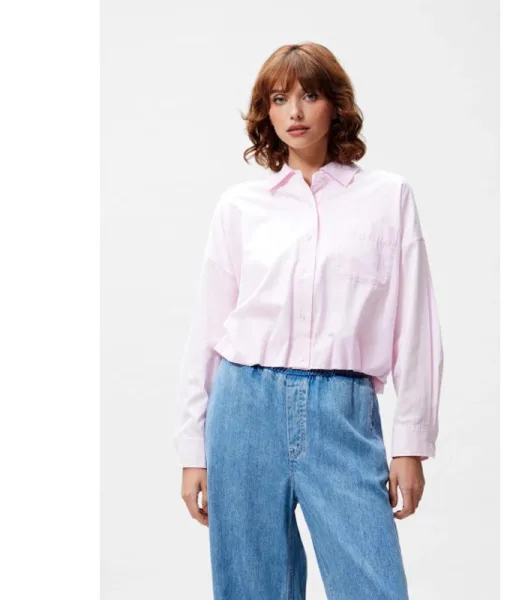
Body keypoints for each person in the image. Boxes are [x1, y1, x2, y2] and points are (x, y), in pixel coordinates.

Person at [174, 41, 444, 600]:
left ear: (336, 105)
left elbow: (415, 326)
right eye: (279, 99)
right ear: (266, 113)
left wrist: (410, 444)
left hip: (341, 411)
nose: (294, 112)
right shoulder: (239, 208)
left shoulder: (388, 198)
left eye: (309, 95)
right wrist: (193, 449)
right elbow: (207, 331)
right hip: (243, 410)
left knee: (374, 587)